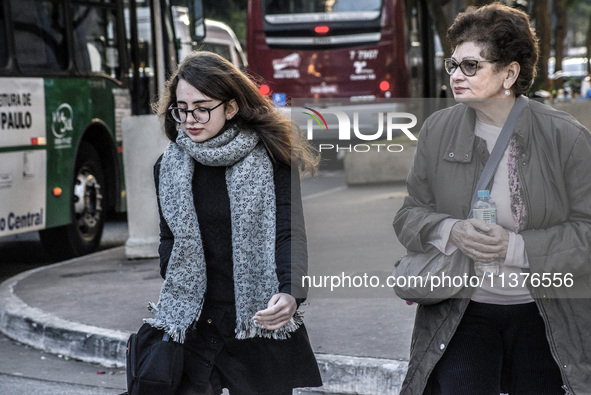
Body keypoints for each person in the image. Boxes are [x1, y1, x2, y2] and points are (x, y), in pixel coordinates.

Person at [393, 4, 591, 394]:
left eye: (471, 66)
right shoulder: (437, 129)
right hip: (461, 311)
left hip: (547, 313)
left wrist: (515, 246)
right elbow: (409, 215)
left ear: (509, 73)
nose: (455, 76)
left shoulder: (564, 135)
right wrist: (452, 230)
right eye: (453, 64)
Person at [148, 50, 322, 395]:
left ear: (230, 108)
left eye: (202, 107)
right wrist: (176, 271)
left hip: (255, 322)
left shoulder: (272, 157)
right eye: (181, 108)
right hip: (194, 325)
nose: (190, 119)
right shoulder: (167, 167)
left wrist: (290, 293)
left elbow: (289, 232)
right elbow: (168, 237)